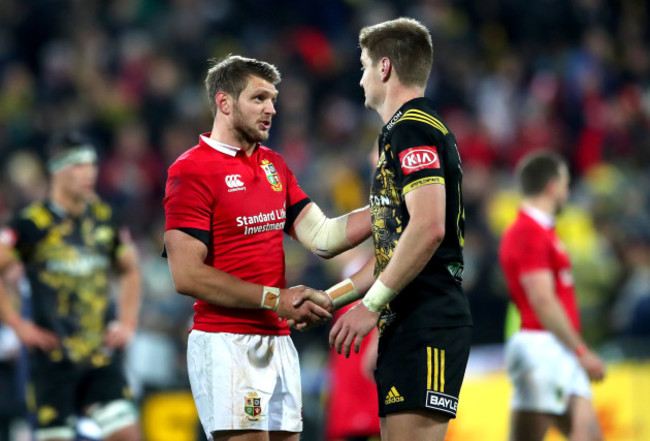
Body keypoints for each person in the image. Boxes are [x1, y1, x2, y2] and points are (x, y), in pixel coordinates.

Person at [162, 55, 371, 441]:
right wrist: (276, 299)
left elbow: (323, 237)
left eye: (273, 99)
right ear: (224, 103)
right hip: (226, 341)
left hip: (278, 340)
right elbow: (186, 274)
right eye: (259, 98)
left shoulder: (273, 165)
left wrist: (387, 208)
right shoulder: (190, 170)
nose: (272, 108)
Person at [326, 17, 473, 441]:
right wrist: (329, 298)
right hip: (408, 320)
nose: (360, 79)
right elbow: (395, 251)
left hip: (426, 319)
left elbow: (428, 228)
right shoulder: (406, 130)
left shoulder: (412, 128)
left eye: (364, 66)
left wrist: (369, 308)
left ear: (385, 68)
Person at [0, 132, 142, 441]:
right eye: (78, 165)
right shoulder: (30, 224)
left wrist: (128, 322)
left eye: (92, 164)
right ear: (57, 170)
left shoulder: (106, 219)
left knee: (127, 435)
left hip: (99, 355)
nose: (89, 173)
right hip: (52, 361)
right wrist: (17, 325)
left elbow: (130, 270)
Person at [499, 151, 606, 441]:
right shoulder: (527, 232)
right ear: (552, 186)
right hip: (543, 347)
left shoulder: (541, 232)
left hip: (552, 348)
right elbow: (542, 298)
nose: (567, 192)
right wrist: (581, 351)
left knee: (591, 436)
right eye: (566, 184)